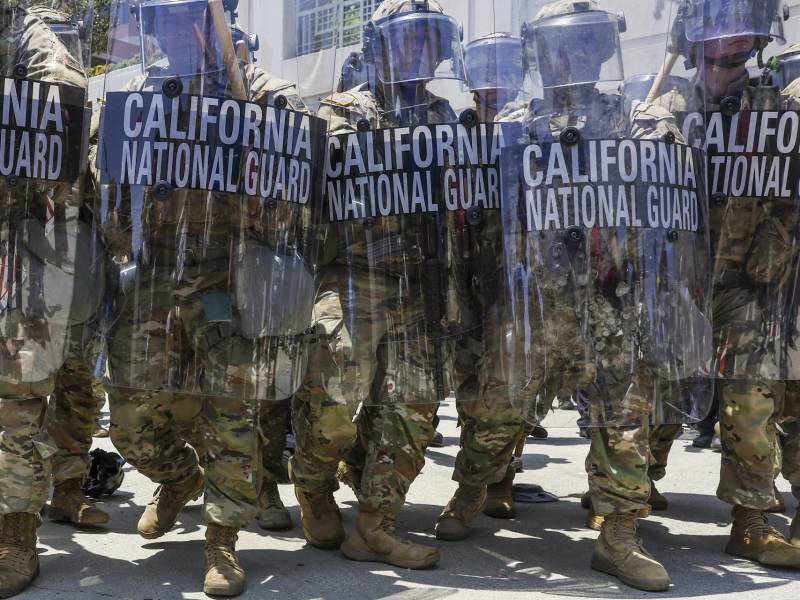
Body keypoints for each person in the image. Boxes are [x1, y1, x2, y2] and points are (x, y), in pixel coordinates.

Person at [95, 0, 317, 594]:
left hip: (233, 278)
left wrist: (258, 187)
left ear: (213, 18)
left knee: (232, 416)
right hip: (158, 274)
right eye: (163, 20)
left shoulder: (265, 97)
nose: (178, 30)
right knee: (131, 418)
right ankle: (178, 478)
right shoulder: (145, 93)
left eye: (188, 15)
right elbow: (115, 208)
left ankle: (221, 539)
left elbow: (293, 211)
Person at [500, 0, 711, 590]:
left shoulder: (634, 119)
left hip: (610, 299)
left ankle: (618, 535)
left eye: (588, 45)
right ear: (541, 53)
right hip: (539, 302)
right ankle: (479, 488)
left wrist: (655, 138)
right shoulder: (518, 122)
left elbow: (665, 199)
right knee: (494, 411)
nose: (574, 57)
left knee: (624, 418)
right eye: (562, 46)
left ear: (602, 52)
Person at [291, 0, 470, 570]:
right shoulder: (341, 114)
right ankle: (314, 487)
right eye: (405, 38)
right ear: (379, 47)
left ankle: (374, 525)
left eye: (427, 39)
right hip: (354, 276)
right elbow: (304, 194)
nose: (416, 50)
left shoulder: (449, 122)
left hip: (425, 281)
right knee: (334, 403)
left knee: (413, 409)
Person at [653, 0, 800, 567]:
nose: (729, 41)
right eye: (718, 27)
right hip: (676, 278)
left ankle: (752, 519)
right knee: (657, 395)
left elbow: (790, 194)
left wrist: (779, 241)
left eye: (741, 29)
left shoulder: (777, 108)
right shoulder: (667, 106)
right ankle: (627, 493)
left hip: (745, 282)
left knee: (750, 394)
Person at [0, 1, 89, 595]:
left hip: (21, 252)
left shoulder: (25, 34)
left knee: (17, 407)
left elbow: (65, 94)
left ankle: (15, 536)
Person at [434, 31, 531, 541]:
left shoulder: (533, 131)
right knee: (470, 386)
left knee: (504, 388)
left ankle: (486, 483)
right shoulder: (451, 132)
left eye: (505, 69)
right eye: (484, 69)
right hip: (461, 277)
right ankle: (488, 473)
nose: (494, 82)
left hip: (515, 283)